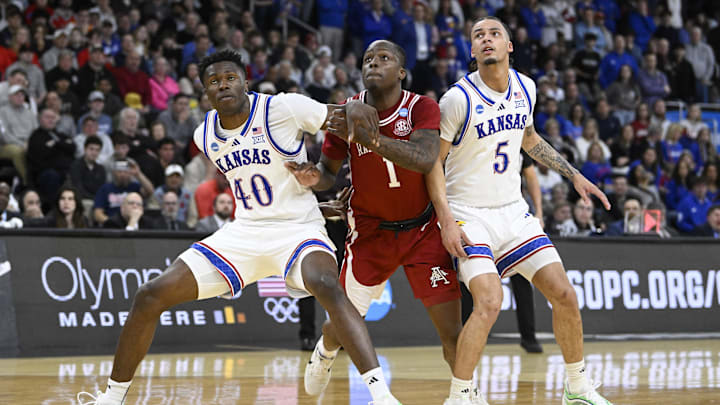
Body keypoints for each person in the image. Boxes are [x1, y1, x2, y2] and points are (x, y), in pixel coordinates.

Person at [77, 50, 401, 405]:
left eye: (230, 78)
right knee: (149, 295)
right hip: (243, 233)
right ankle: (111, 398)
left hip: (297, 228)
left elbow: (345, 118)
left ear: (245, 81)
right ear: (205, 93)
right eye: (214, 82)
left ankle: (379, 394)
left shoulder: (283, 108)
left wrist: (350, 116)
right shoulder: (205, 136)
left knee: (326, 284)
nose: (223, 85)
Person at [428, 17, 613, 405]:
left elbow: (528, 138)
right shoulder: (457, 99)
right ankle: (460, 396)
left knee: (564, 294)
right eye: (478, 36)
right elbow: (433, 164)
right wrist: (445, 219)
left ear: (509, 45)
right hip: (469, 214)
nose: (486, 39)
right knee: (490, 301)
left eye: (494, 33)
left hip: (513, 212)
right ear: (472, 51)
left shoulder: (526, 87)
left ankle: (577, 387)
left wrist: (573, 175)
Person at [287, 39, 462, 398]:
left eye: (384, 58)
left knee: (452, 333)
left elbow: (427, 158)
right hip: (370, 233)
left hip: (423, 230)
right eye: (367, 58)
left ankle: (465, 393)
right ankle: (324, 350)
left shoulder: (421, 107)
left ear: (401, 72)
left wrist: (374, 139)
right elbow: (329, 171)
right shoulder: (347, 111)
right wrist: (313, 178)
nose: (373, 64)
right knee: (342, 322)